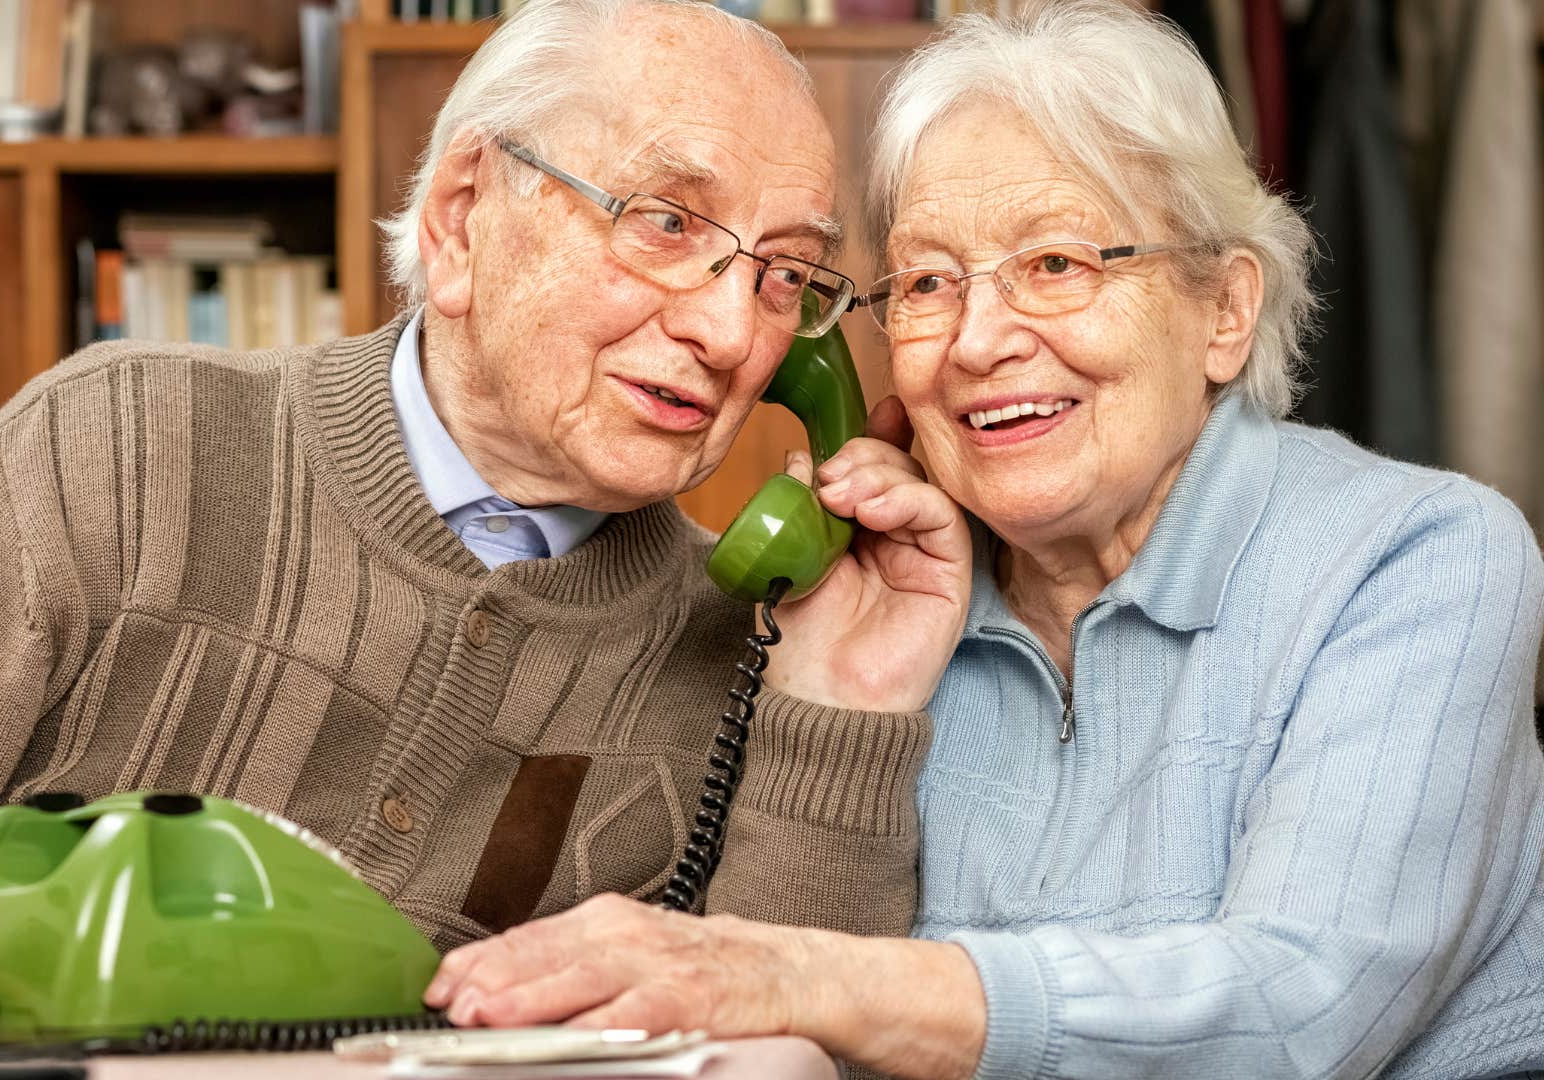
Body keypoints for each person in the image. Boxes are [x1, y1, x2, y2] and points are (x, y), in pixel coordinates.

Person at [0, 0, 967, 1058]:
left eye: (787, 274)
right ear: (459, 222)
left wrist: (839, 708)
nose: (735, 331)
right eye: (667, 223)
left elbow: (780, 1034)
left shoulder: (732, 651)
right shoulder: (122, 447)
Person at [421, 3, 1544, 1078]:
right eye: (926, 283)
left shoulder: (1421, 560)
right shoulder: (891, 607)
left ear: (1223, 309)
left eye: (1056, 264)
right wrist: (844, 704)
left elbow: (1303, 1014)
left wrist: (783, 973)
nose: (978, 341)